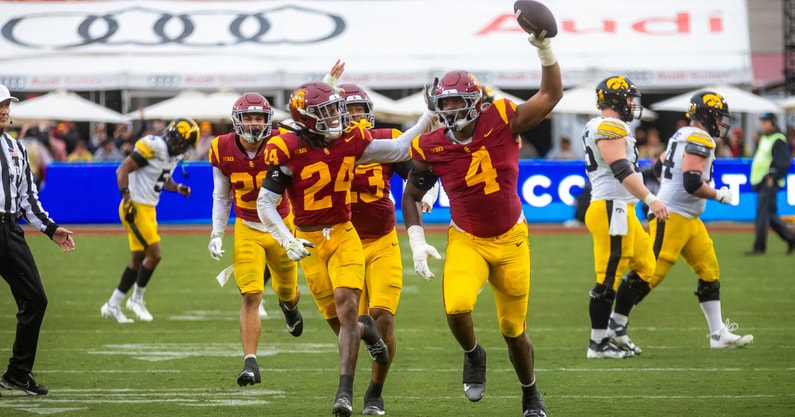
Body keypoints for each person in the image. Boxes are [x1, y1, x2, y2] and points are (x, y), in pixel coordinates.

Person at [255, 74, 436, 417]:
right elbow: (265, 202)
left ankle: (347, 394)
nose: (339, 118)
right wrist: (286, 238)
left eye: (339, 110)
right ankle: (365, 334)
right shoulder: (287, 147)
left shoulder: (351, 139)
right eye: (330, 112)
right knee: (340, 323)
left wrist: (427, 117)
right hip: (308, 240)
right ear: (309, 119)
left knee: (351, 306)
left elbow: (401, 151)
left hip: (345, 232)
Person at [401, 32, 561, 417]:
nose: (451, 109)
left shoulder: (503, 118)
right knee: (456, 307)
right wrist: (417, 240)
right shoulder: (429, 145)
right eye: (445, 103)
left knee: (514, 329)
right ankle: (473, 355)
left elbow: (550, 95)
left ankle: (530, 391)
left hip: (511, 240)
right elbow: (411, 194)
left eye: (457, 101)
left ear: (475, 102)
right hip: (467, 239)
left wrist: (544, 49)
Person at [611, 91, 753, 351]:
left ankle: (717, 334)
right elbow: (691, 183)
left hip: (687, 217)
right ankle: (615, 325)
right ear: (707, 115)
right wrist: (718, 194)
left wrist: (667, 185)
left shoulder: (682, 134)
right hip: (671, 216)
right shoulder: (699, 138)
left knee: (710, 271)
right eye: (717, 116)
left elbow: (658, 166)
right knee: (650, 273)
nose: (720, 121)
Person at [333, 81, 438, 415]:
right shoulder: (330, 147)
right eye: (347, 112)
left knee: (382, 320)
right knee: (348, 322)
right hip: (343, 242)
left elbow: (415, 171)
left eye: (359, 110)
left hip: (381, 240)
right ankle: (347, 388)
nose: (354, 117)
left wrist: (428, 194)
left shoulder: (383, 139)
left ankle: (374, 393)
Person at [206, 92, 304, 387]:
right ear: (237, 120)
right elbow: (222, 196)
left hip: (281, 228)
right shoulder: (221, 147)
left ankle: (289, 307)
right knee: (251, 295)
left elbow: (306, 117)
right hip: (247, 227)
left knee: (288, 292)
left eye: (258, 117)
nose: (252, 123)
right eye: (247, 117)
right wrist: (216, 232)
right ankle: (250, 362)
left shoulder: (281, 142)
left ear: (267, 120)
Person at [580, 76, 668, 359]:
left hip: (621, 207)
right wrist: (651, 199)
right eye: (629, 99)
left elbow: (626, 167)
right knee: (608, 278)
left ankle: (616, 328)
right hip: (610, 207)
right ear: (616, 101)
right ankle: (597, 344)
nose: (633, 105)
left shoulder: (602, 125)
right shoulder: (610, 125)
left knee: (646, 267)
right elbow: (620, 168)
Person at [0, 84, 75, 396]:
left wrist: (50, 228)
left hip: (7, 230)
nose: (5, 110)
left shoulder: (16, 148)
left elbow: (28, 198)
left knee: (35, 299)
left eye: (6, 105)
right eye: (0, 105)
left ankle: (17, 373)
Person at [100, 117, 199, 323]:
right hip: (134, 207)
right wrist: (126, 198)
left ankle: (113, 304)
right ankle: (136, 299)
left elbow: (162, 180)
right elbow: (122, 170)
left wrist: (178, 188)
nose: (183, 150)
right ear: (174, 138)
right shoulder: (154, 147)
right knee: (155, 254)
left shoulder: (170, 155)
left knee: (137, 259)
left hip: (149, 209)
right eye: (183, 144)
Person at [744, 112, 795, 256]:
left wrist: (773, 177)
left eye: (766, 122)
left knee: (762, 216)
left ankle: (759, 248)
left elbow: (784, 162)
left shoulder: (778, 139)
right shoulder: (766, 138)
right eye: (762, 121)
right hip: (761, 181)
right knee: (770, 217)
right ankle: (791, 238)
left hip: (768, 182)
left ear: (773, 123)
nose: (763, 124)